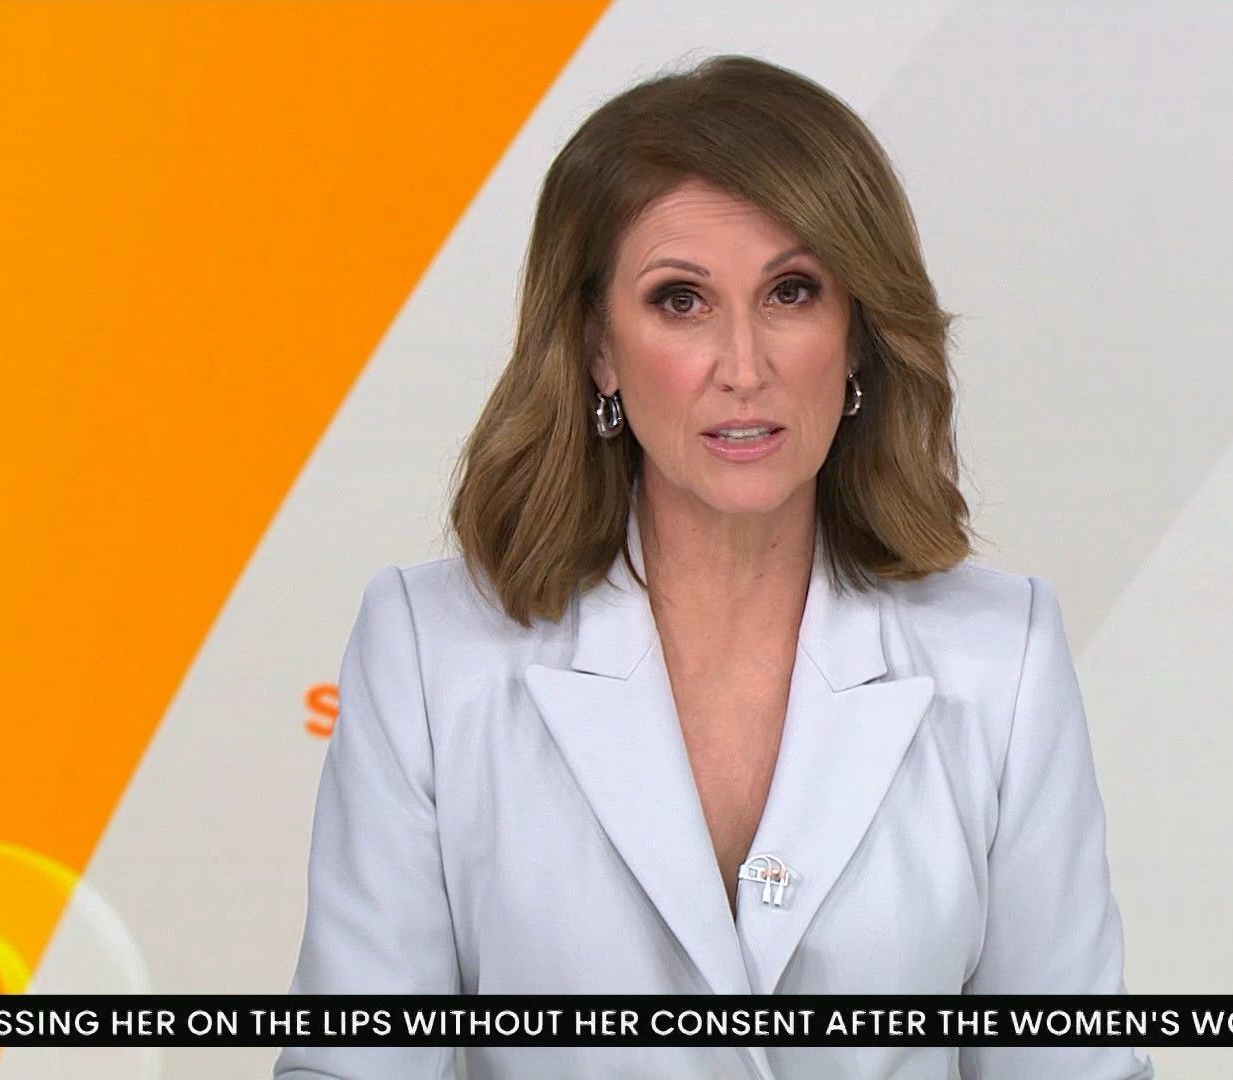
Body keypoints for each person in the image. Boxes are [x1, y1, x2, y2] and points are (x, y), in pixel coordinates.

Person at [274, 54, 1152, 1080]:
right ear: (598, 347)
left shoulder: (1003, 660)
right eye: (681, 301)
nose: (744, 367)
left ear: (859, 336)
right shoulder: (430, 652)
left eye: (791, 292)